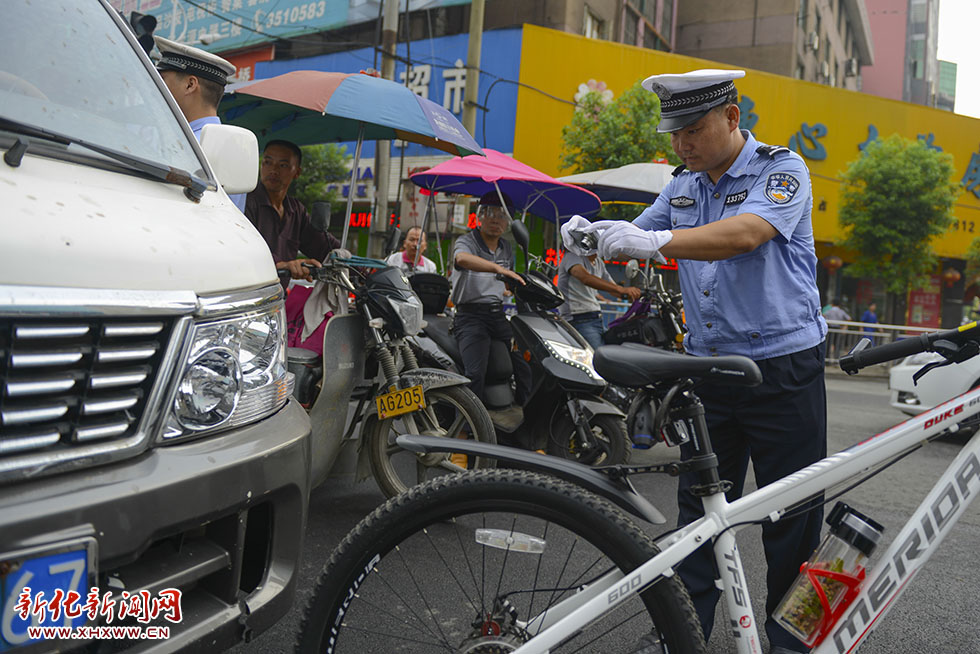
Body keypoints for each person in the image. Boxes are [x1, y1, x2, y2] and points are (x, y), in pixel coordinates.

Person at [569, 69, 828, 654]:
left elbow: (744, 235)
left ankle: (792, 646)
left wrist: (653, 244)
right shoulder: (682, 186)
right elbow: (633, 242)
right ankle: (681, 638)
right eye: (675, 132)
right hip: (708, 370)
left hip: (782, 367)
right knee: (699, 516)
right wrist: (593, 238)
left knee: (793, 518)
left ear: (732, 117)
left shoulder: (782, 170)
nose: (682, 143)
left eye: (694, 128)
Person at [451, 191, 531, 405]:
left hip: (497, 315)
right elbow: (462, 259)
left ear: (508, 223)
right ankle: (466, 427)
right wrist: (497, 269)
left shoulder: (506, 247)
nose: (496, 219)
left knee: (526, 363)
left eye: (502, 215)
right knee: (475, 373)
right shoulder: (466, 241)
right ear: (479, 216)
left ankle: (526, 417)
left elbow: (508, 282)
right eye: (489, 213)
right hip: (470, 316)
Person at [153, 36, 246, 212]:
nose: (156, 87)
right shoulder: (227, 145)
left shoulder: (188, 148)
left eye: (163, 80)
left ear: (190, 85)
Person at [245, 140, 341, 284]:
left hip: (278, 299)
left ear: (297, 172)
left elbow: (324, 247)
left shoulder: (296, 211)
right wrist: (281, 264)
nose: (273, 170)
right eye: (267, 162)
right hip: (247, 297)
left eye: (283, 165)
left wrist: (361, 267)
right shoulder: (246, 202)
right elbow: (246, 247)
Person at [557, 251, 641, 349]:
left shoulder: (598, 262)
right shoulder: (573, 256)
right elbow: (585, 278)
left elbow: (613, 288)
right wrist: (621, 290)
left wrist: (630, 294)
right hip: (579, 319)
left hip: (597, 319)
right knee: (598, 358)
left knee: (618, 350)